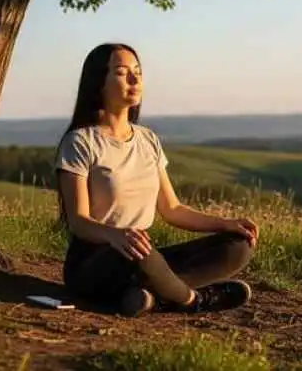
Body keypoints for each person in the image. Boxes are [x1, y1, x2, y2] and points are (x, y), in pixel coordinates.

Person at [53, 43, 260, 318]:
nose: (135, 79)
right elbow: (78, 221)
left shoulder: (147, 139)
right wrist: (115, 235)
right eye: (122, 72)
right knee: (144, 256)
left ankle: (150, 296)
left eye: (137, 72)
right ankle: (193, 300)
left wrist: (225, 224)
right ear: (98, 82)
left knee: (237, 247)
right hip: (95, 261)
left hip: (140, 253)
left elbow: (172, 209)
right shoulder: (80, 142)